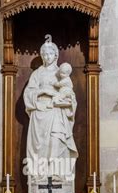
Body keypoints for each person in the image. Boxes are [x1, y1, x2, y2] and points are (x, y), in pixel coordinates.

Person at [23, 35, 78, 181]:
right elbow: (28, 93)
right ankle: (39, 176)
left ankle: (57, 174)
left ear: (56, 55)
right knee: (40, 147)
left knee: (57, 141)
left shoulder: (61, 73)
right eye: (45, 54)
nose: (47, 57)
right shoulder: (37, 73)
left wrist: (64, 99)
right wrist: (43, 91)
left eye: (50, 54)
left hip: (56, 112)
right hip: (39, 113)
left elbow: (70, 95)